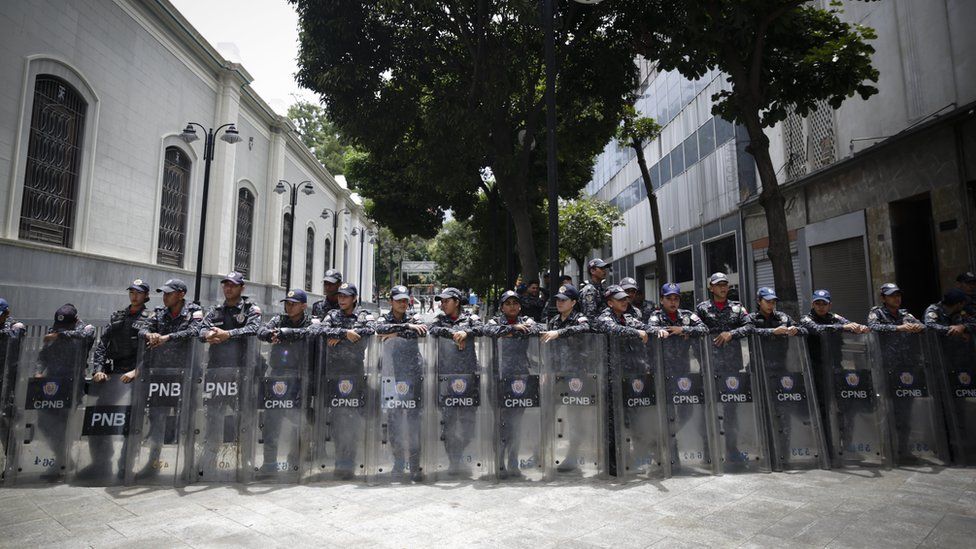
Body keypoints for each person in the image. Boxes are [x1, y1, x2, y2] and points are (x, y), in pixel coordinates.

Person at [79, 279, 151, 479]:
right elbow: (103, 344)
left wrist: (137, 371)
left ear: (146, 296)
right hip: (113, 376)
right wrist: (98, 369)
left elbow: (150, 352)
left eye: (138, 292)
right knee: (100, 418)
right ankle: (100, 463)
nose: (134, 295)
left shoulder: (150, 319)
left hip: (135, 377)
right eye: (132, 292)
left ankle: (124, 466)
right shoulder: (117, 316)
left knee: (131, 422)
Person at [136, 279, 204, 478]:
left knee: (187, 420)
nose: (164, 297)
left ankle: (188, 465)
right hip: (161, 375)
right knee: (157, 418)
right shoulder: (159, 311)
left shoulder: (194, 311)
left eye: (169, 293)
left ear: (181, 294)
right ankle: (153, 463)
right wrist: (150, 335)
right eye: (163, 293)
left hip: (186, 375)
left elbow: (194, 331)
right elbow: (142, 329)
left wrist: (167, 337)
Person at [197, 272, 262, 476]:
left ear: (242, 288)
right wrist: (207, 334)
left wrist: (228, 334)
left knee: (244, 418)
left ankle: (246, 462)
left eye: (233, 285)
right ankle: (208, 464)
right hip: (217, 374)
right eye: (225, 285)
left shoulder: (251, 309)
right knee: (214, 417)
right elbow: (200, 330)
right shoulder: (215, 310)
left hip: (242, 373)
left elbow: (253, 328)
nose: (228, 288)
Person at [648, 283, 709, 471]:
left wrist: (683, 330)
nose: (673, 302)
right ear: (661, 300)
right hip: (663, 371)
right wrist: (663, 332)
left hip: (683, 373)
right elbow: (650, 328)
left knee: (686, 411)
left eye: (676, 298)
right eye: (669, 298)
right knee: (667, 413)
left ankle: (663, 440)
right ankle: (671, 456)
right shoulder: (656, 316)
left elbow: (704, 329)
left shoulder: (687, 316)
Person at [318, 283, 375, 480]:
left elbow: (366, 333)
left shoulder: (363, 315)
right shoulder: (332, 315)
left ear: (354, 298)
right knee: (336, 419)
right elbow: (320, 331)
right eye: (340, 295)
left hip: (354, 374)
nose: (341, 299)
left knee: (351, 419)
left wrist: (337, 337)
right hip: (334, 374)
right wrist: (345, 334)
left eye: (346, 296)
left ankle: (349, 461)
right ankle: (340, 458)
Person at [483, 290, 542, 478]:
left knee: (516, 423)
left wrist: (517, 328)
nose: (512, 306)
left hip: (520, 380)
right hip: (497, 379)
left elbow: (537, 330)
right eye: (507, 303)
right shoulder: (495, 321)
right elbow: (488, 331)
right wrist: (514, 329)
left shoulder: (527, 320)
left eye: (515, 303)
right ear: (501, 307)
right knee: (501, 422)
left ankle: (514, 461)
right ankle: (499, 462)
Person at [696, 272, 753, 464]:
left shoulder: (737, 308)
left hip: (731, 367)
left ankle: (731, 448)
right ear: (711, 288)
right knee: (709, 409)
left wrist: (732, 333)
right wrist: (701, 358)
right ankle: (708, 449)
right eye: (718, 285)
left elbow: (749, 326)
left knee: (731, 410)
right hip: (710, 366)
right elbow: (695, 331)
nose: (722, 288)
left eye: (725, 284)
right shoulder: (702, 309)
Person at [256, 288, 316, 473]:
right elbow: (261, 330)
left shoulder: (311, 321)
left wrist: (282, 332)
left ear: (303, 306)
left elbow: (310, 332)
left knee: (299, 422)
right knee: (272, 421)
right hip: (278, 376)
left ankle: (295, 462)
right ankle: (270, 463)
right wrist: (268, 335)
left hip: (301, 376)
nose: (289, 307)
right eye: (287, 304)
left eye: (293, 304)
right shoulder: (278, 319)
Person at [867, 283, 927, 462]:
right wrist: (898, 328)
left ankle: (903, 449)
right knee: (886, 409)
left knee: (905, 411)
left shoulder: (905, 314)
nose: (896, 298)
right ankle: (887, 448)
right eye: (892, 296)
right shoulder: (877, 312)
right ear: (884, 298)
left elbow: (923, 326)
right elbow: (873, 327)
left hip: (906, 369)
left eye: (898, 295)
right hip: (886, 368)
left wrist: (918, 327)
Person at [34, 304, 95, 479]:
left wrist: (60, 334)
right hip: (51, 382)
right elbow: (43, 355)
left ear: (75, 320)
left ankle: (61, 462)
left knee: (62, 423)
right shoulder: (55, 329)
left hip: (72, 383)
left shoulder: (85, 329)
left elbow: (84, 336)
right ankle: (63, 457)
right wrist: (39, 371)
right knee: (44, 423)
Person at [593, 284, 649, 477]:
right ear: (610, 302)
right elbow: (614, 330)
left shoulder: (629, 317)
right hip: (611, 378)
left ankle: (632, 458)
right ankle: (613, 462)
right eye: (620, 299)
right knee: (613, 422)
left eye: (626, 298)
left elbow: (646, 328)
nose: (625, 301)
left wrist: (667, 330)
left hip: (630, 376)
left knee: (632, 419)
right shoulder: (604, 317)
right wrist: (637, 333)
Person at [428, 287, 483, 476]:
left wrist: (466, 333)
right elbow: (432, 330)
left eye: (446, 301)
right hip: (446, 378)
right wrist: (453, 333)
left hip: (468, 378)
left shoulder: (470, 318)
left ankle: (460, 453)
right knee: (449, 423)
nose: (442, 304)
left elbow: (483, 328)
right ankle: (454, 460)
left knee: (468, 424)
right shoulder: (439, 319)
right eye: (441, 301)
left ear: (457, 302)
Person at [375, 285, 428, 482]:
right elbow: (378, 330)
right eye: (399, 300)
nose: (402, 304)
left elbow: (421, 332)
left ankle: (414, 465)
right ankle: (398, 463)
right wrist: (405, 329)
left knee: (414, 423)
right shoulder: (383, 318)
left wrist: (396, 333)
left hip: (412, 377)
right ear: (391, 301)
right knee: (394, 423)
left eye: (405, 300)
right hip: (390, 376)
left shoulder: (416, 318)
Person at [539, 284, 592, 473]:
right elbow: (548, 349)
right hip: (556, 375)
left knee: (575, 417)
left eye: (563, 300)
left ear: (574, 302)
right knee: (548, 414)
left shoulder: (579, 318)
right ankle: (543, 452)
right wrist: (546, 370)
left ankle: (573, 456)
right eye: (558, 299)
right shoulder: (553, 320)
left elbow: (585, 328)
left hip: (576, 376)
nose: (559, 303)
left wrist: (559, 333)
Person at [0, 298, 26, 470]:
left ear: (7, 313)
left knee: (5, 424)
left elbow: (15, 335)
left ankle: (12, 463)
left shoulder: (15, 327)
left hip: (6, 384)